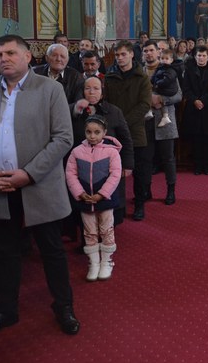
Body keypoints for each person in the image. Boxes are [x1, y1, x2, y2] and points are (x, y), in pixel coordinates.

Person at [0, 35, 79, 340]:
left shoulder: (50, 89)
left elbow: (63, 139)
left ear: (28, 56)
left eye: (11, 53)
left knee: (51, 250)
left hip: (39, 185)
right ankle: (6, 310)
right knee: (4, 252)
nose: (3, 59)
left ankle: (64, 306)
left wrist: (28, 174)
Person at [65, 115, 122, 281]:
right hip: (85, 199)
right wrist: (79, 193)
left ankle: (107, 261)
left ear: (104, 132)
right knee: (89, 232)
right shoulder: (76, 152)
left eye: (97, 132)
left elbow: (115, 175)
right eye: (88, 132)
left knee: (106, 230)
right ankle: (94, 263)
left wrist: (101, 194)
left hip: (105, 199)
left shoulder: (111, 152)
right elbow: (70, 173)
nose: (92, 136)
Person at [70, 76, 133, 226]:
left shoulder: (114, 111)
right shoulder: (75, 110)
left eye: (96, 88)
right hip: (83, 170)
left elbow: (126, 139)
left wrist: (128, 164)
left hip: (108, 168)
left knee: (108, 213)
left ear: (102, 92)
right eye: (88, 88)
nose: (91, 92)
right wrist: (76, 109)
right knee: (85, 215)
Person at [105, 40, 152, 221]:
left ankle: (139, 204)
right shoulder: (110, 76)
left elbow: (144, 104)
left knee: (139, 171)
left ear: (132, 54)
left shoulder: (142, 77)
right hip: (114, 131)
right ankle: (118, 207)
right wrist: (114, 123)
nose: (120, 58)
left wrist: (123, 122)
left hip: (135, 129)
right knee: (114, 171)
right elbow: (106, 102)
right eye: (117, 55)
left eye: (123, 54)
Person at [141, 41, 181, 207]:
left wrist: (161, 99)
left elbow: (178, 95)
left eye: (152, 50)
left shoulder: (168, 69)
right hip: (145, 120)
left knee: (168, 158)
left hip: (165, 120)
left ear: (158, 52)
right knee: (146, 158)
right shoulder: (139, 71)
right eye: (145, 51)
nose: (149, 53)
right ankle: (146, 190)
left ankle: (171, 190)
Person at [182, 46, 208, 175]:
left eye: (204, 56)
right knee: (196, 138)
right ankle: (197, 166)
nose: (201, 58)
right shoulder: (189, 70)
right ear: (195, 57)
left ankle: (207, 166)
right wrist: (195, 100)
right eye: (199, 55)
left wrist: (203, 100)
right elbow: (186, 89)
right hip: (193, 108)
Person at [146, 48, 179, 128]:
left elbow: (178, 96)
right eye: (162, 58)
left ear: (171, 60)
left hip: (166, 91)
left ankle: (163, 115)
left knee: (153, 94)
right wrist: (152, 82)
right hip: (148, 124)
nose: (164, 60)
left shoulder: (170, 69)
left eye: (166, 59)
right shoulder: (160, 68)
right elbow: (154, 77)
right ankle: (153, 112)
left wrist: (161, 98)